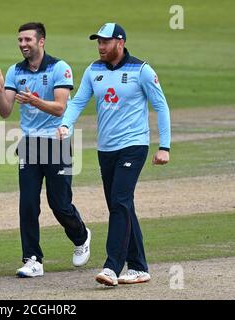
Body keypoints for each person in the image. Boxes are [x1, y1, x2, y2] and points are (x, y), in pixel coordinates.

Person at [58, 23, 171, 286]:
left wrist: (164, 146)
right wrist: (66, 123)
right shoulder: (93, 70)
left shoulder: (141, 70)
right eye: (98, 42)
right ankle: (139, 267)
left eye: (105, 42)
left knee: (120, 201)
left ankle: (112, 266)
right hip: (106, 148)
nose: (100, 47)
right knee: (120, 205)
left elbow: (161, 106)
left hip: (134, 145)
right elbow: (77, 101)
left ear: (120, 43)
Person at [0, 22, 91, 278]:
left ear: (41, 41)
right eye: (20, 40)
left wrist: (34, 101)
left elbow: (60, 108)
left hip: (58, 142)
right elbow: (5, 111)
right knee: (28, 204)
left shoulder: (59, 68)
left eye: (28, 40)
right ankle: (32, 258)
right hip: (30, 144)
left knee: (60, 204)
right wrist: (1, 92)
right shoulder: (14, 71)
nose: (23, 44)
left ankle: (81, 236)